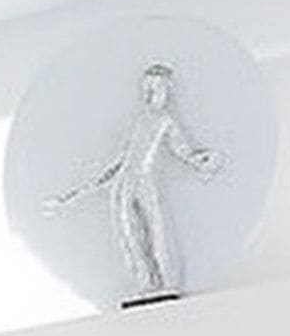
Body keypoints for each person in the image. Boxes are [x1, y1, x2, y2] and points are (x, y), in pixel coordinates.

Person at [44, 62, 224, 306]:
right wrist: (71, 197)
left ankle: (166, 282)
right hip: (123, 185)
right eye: (153, 88)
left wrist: (201, 161)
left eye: (162, 89)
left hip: (144, 182)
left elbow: (182, 150)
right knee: (129, 236)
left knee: (155, 231)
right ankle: (146, 285)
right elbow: (118, 163)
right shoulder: (141, 121)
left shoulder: (165, 121)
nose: (157, 94)